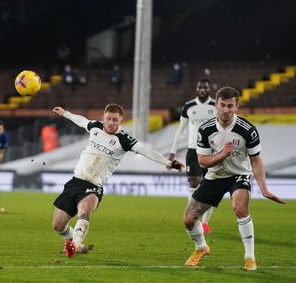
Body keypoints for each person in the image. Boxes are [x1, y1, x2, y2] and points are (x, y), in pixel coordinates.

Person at [51, 104, 185, 257]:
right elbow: (81, 120)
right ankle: (76, 245)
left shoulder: (124, 140)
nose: (111, 123)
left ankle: (74, 245)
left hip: (94, 186)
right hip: (75, 181)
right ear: (103, 118)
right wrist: (65, 113)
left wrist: (168, 162)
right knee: (58, 225)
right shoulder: (95, 127)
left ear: (121, 121)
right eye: (108, 119)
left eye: (115, 120)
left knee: (84, 212)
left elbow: (146, 150)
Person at [182, 86, 285, 271]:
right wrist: (222, 154)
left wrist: (264, 189)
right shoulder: (205, 130)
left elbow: (256, 160)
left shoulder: (247, 130)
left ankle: (250, 257)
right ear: (216, 106)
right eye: (222, 105)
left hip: (239, 174)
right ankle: (201, 248)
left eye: (230, 106)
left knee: (239, 208)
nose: (226, 110)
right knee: (189, 219)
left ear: (237, 107)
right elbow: (203, 162)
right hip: (215, 176)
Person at [168, 78, 216, 233]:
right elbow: (180, 130)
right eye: (200, 87)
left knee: (210, 186)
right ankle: (193, 219)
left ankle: (206, 222)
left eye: (205, 87)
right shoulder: (189, 106)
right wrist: (173, 152)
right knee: (193, 185)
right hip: (192, 150)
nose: (202, 90)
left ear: (209, 89)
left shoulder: (215, 105)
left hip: (211, 151)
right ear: (196, 89)